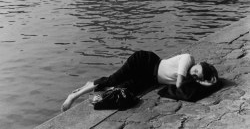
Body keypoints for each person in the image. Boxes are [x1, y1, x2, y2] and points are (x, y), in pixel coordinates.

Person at [61, 50, 218, 112]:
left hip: (150, 78)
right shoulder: (188, 59)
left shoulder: (191, 77)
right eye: (197, 70)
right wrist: (198, 81)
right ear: (198, 63)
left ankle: (91, 86)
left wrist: (207, 82)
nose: (194, 74)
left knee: (122, 89)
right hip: (145, 62)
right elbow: (178, 84)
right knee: (113, 80)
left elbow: (199, 85)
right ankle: (74, 96)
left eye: (198, 76)